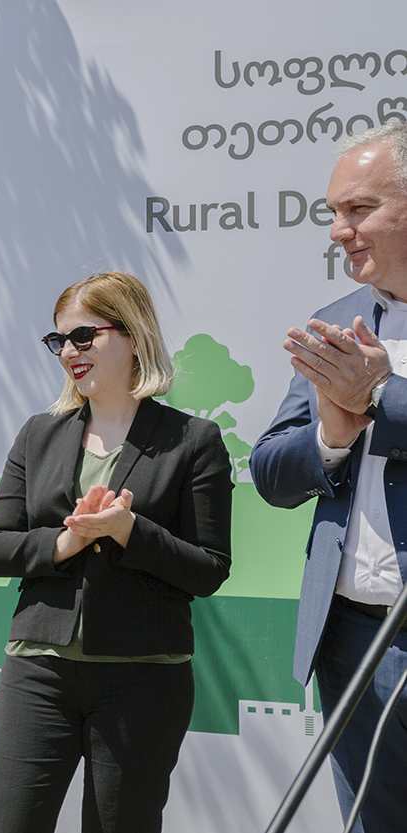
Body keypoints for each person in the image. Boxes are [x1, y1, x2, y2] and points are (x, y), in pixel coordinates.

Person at [0, 271, 233, 833]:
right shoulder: (38, 434)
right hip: (37, 671)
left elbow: (209, 569)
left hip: (143, 680)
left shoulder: (194, 441)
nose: (68, 351)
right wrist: (67, 540)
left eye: (83, 336)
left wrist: (128, 530)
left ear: (134, 336)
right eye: (59, 340)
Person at [251, 122, 407, 833]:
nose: (340, 230)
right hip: (348, 641)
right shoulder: (334, 322)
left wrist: (380, 395)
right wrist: (331, 439)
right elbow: (271, 472)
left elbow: (381, 400)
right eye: (334, 213)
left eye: (360, 209)